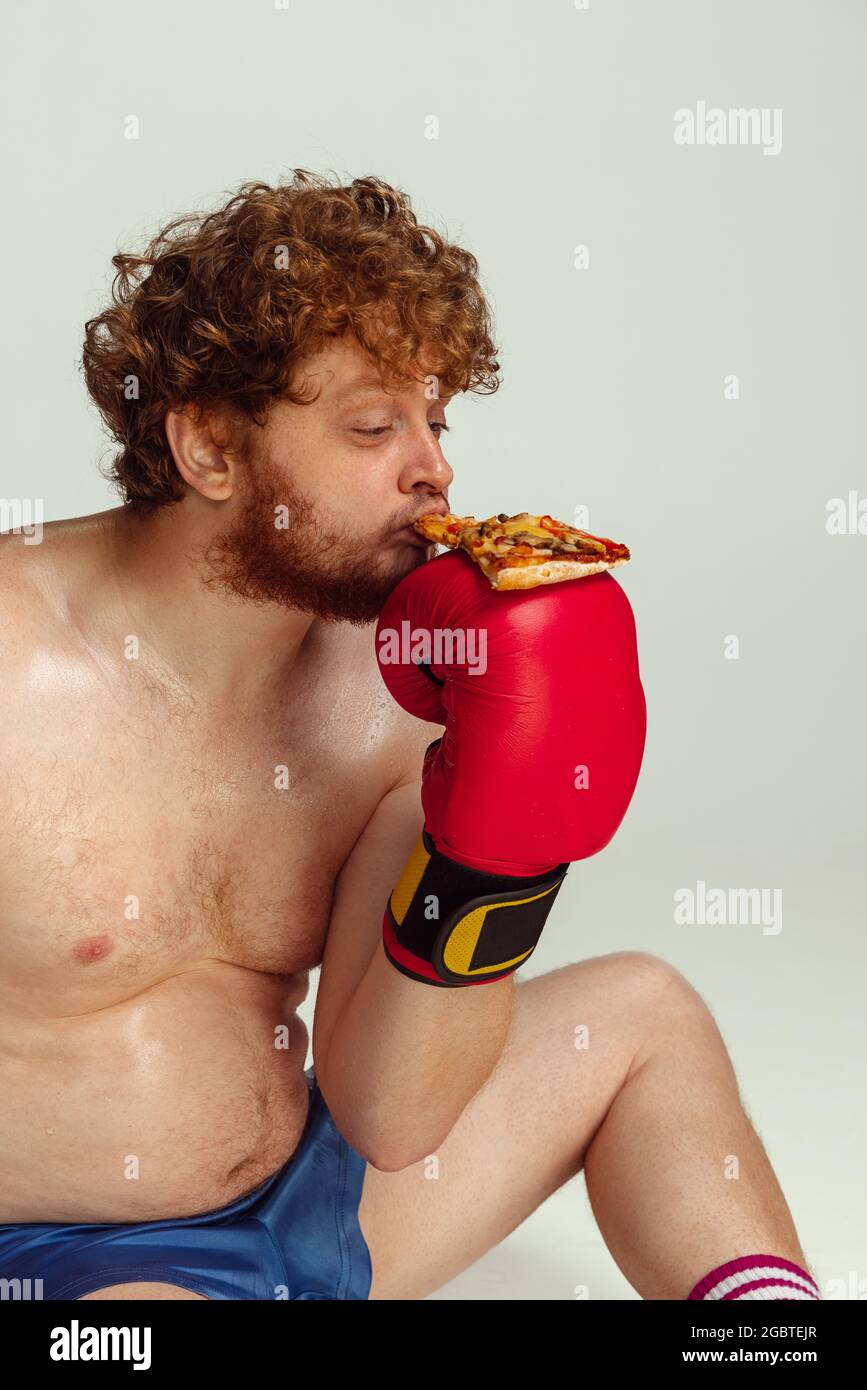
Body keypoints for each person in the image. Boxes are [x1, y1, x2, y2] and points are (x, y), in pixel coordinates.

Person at [0, 172, 820, 1302]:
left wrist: (504, 854)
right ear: (210, 450)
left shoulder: (406, 688)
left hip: (321, 1206)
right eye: (373, 426)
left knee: (642, 1013)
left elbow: (394, 1110)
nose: (432, 466)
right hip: (67, 1265)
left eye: (436, 419)